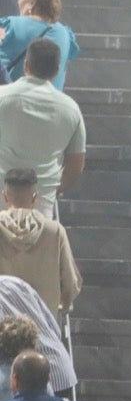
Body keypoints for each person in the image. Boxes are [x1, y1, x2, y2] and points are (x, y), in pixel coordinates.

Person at [0, 40, 84, 219]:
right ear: (56, 71)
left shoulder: (2, 97)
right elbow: (76, 163)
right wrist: (54, 188)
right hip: (41, 201)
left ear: (26, 65)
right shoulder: (70, 108)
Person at [0, 168, 78, 314]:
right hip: (42, 325)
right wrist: (63, 305)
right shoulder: (55, 232)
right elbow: (70, 282)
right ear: (35, 198)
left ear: (5, 197)